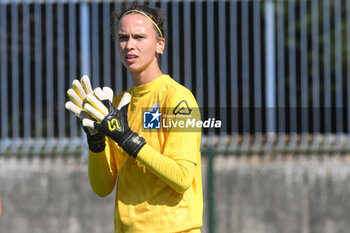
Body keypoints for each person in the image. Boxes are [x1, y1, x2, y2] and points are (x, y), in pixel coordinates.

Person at [67, 4, 203, 233]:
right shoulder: (119, 104)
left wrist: (126, 137)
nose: (130, 45)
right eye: (123, 37)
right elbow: (102, 188)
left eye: (139, 37)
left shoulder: (178, 98)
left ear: (160, 45)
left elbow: (181, 177)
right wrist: (96, 141)